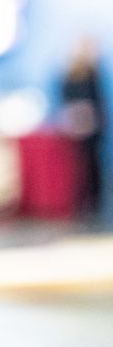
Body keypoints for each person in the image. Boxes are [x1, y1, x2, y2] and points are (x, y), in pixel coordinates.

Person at [61, 37, 106, 215]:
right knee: (76, 164)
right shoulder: (69, 74)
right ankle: (79, 200)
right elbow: (67, 99)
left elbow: (97, 101)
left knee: (93, 164)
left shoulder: (93, 73)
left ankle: (94, 202)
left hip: (92, 126)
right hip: (75, 125)